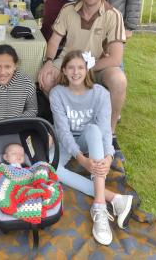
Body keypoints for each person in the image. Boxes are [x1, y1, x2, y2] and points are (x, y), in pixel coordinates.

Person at [50, 50, 133, 245]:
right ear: (64, 70)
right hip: (66, 141)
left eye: (80, 67)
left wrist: (109, 157)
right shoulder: (57, 94)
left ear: (87, 69)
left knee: (94, 129)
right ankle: (115, 199)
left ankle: (100, 207)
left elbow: (105, 130)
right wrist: (82, 160)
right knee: (50, 169)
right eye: (71, 67)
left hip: (90, 138)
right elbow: (62, 132)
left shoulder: (101, 94)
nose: (76, 72)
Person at [38, 0, 127, 138]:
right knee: (46, 79)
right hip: (67, 60)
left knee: (119, 80)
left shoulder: (113, 15)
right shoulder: (68, 9)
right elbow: (54, 41)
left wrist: (85, 68)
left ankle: (109, 132)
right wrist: (48, 61)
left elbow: (115, 58)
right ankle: (69, 122)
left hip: (96, 64)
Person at [0, 143, 63, 224]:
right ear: (6, 157)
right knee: (3, 186)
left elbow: (33, 173)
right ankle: (31, 198)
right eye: (14, 153)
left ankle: (38, 191)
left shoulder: (28, 169)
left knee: (42, 167)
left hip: (31, 185)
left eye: (22, 155)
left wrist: (40, 171)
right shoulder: (4, 168)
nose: (19, 156)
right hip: (13, 189)